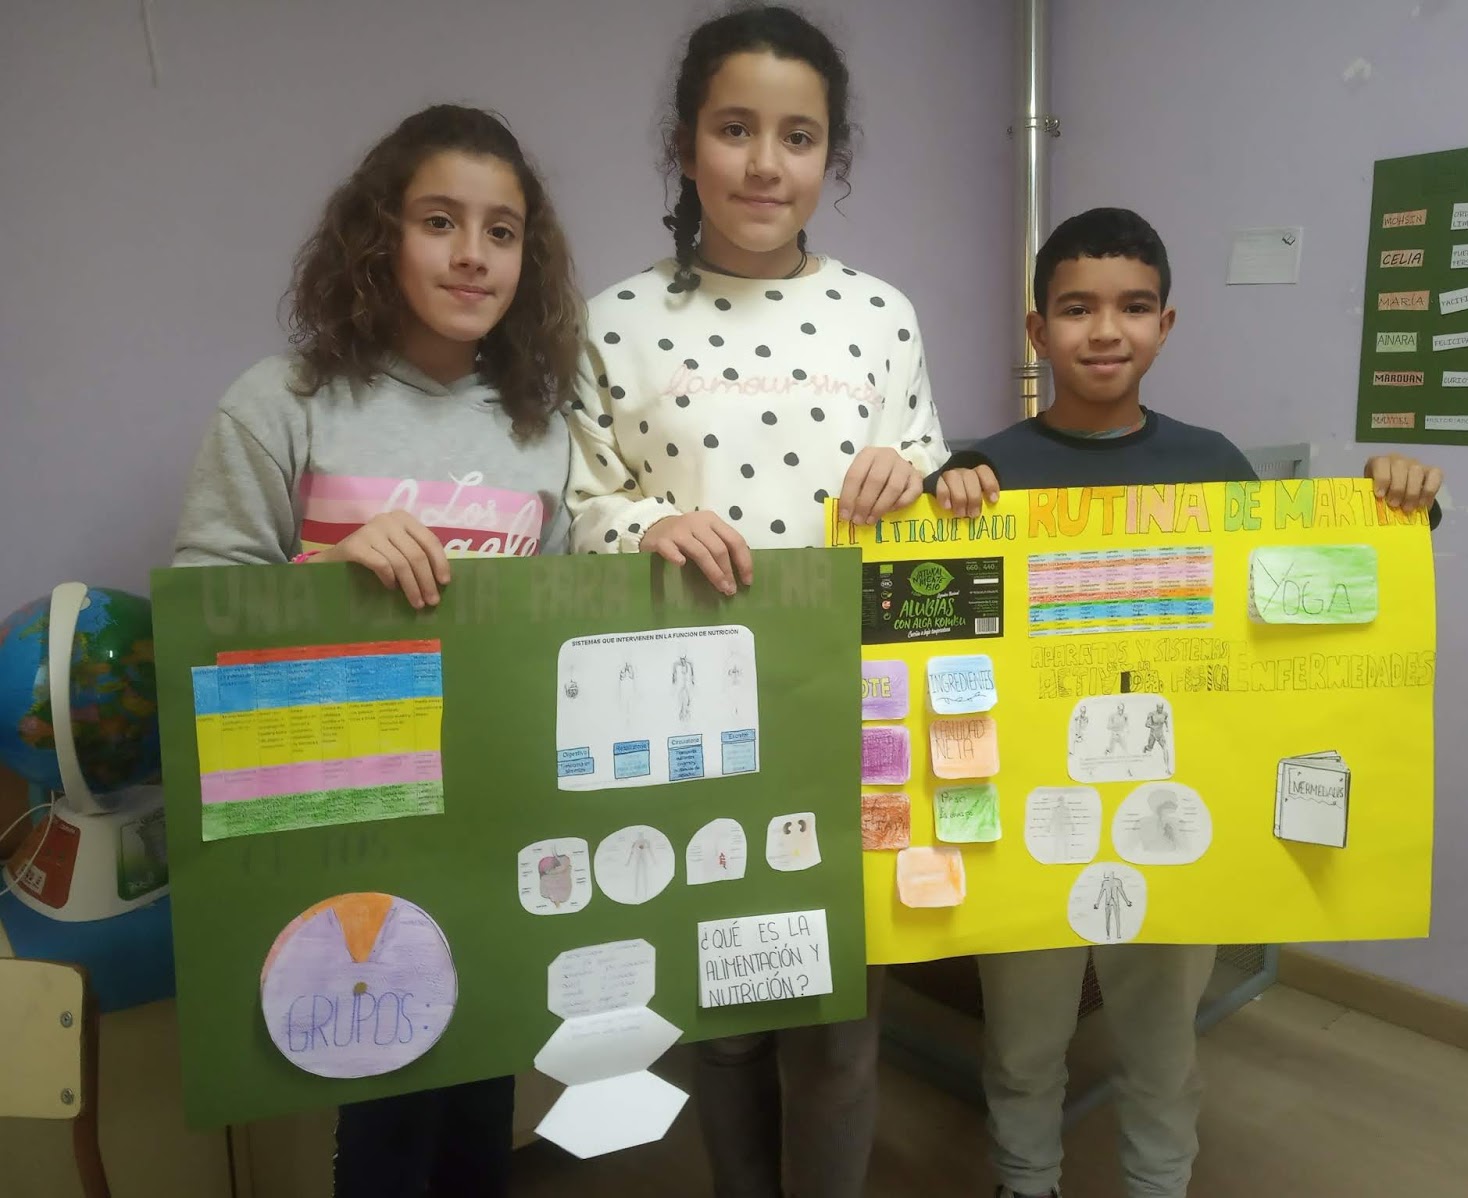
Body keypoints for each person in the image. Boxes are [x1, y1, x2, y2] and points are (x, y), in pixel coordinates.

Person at [932, 207, 1444, 1198]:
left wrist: (1394, 504)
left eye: (1132, 307)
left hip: (1176, 807)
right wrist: (933, 499)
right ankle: (1023, 1179)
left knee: (1162, 1042)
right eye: (1075, 309)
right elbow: (921, 623)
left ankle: (1159, 1182)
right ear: (1037, 330)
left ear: (1165, 325)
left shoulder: (1212, 466)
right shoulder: (980, 474)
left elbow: (1287, 605)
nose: (1105, 330)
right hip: (1030, 813)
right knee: (1023, 1040)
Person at [564, 8, 951, 1194]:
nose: (765, 164)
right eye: (735, 129)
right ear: (685, 145)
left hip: (850, 718)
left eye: (798, 136)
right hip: (688, 721)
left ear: (830, 155)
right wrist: (646, 524)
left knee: (836, 1026)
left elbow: (935, 500)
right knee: (721, 1020)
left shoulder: (881, 315)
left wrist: (911, 485)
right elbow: (577, 505)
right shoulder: (614, 322)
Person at [173, 104, 582, 1198]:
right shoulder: (282, 403)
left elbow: (558, 629)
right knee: (384, 1105)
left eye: (502, 231)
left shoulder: (542, 430)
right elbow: (202, 607)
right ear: (378, 237)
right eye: (439, 221)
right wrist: (327, 570)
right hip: (335, 818)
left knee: (479, 1088)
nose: (471, 254)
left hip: (489, 823)